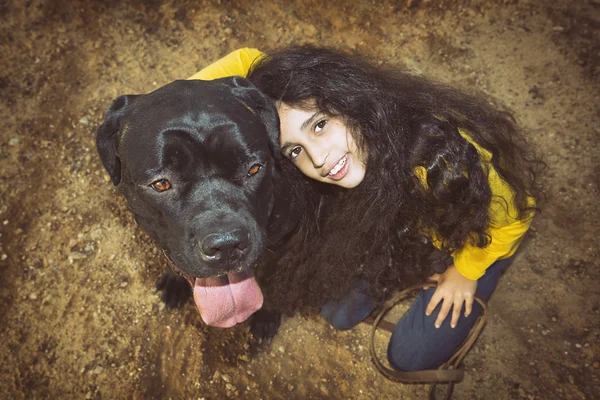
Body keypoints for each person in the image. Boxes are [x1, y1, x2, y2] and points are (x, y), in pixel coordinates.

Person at [187, 46, 543, 372]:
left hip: (477, 238)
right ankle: (412, 262)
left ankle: (470, 270)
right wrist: (163, 106)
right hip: (409, 231)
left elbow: (516, 214)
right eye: (294, 150)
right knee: (336, 314)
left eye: (320, 125)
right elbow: (248, 61)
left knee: (407, 357)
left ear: (352, 102)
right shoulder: (356, 160)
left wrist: (466, 272)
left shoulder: (441, 155)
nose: (318, 158)